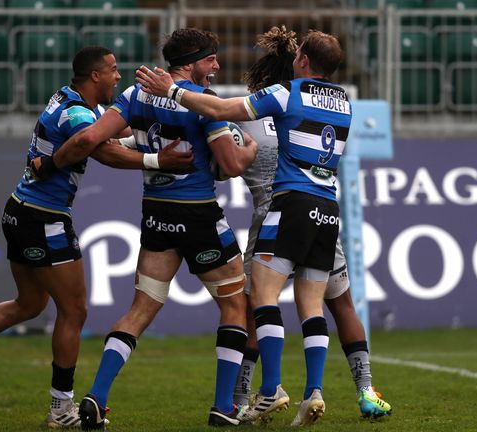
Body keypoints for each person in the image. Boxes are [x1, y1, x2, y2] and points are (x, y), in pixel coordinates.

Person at [0, 46, 194, 429]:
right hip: (43, 218)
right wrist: (157, 160)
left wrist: (153, 127)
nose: (119, 76)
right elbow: (94, 148)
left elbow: (111, 138)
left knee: (29, 303)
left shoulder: (69, 100)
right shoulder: (79, 112)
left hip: (20, 210)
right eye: (113, 70)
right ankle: (61, 409)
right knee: (74, 310)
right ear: (95, 75)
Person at [41, 28, 257, 428]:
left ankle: (97, 396)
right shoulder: (200, 105)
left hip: (156, 215)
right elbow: (231, 166)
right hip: (198, 215)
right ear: (192, 62)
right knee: (235, 306)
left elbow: (93, 138)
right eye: (211, 60)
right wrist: (250, 148)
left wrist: (51, 162)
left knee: (139, 310)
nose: (216, 67)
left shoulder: (136, 94)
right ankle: (224, 406)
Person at [137, 28, 350, 425]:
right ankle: (314, 391)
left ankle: (269, 390)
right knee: (311, 305)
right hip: (328, 208)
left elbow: (219, 111)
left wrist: (173, 91)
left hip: (291, 203)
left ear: (302, 61)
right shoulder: (345, 103)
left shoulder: (288, 92)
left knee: (263, 298)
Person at [229, 26, 392, 421]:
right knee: (338, 305)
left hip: (275, 218)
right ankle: (365, 390)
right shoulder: (319, 107)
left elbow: (226, 164)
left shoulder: (252, 115)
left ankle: (246, 394)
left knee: (258, 305)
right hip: (320, 214)